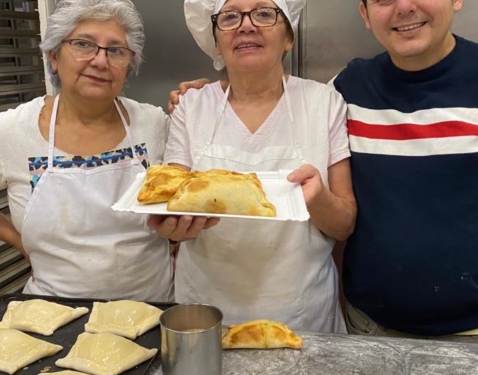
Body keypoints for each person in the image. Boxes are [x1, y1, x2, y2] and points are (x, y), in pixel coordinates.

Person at [168, 0, 478, 348]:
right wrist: (201, 96)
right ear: (366, 14)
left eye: (264, 15)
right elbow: (257, 91)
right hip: (369, 325)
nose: (404, 8)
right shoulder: (350, 88)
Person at [0, 0, 173, 301]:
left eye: (116, 50)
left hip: (153, 309)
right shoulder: (11, 131)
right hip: (56, 314)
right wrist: (17, 240)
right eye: (83, 44)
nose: (100, 61)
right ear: (54, 56)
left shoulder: (154, 123)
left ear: (128, 65)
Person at [149, 0, 357, 333]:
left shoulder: (323, 103)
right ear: (217, 42)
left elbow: (344, 225)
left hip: (302, 315)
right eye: (230, 17)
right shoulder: (191, 106)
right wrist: (171, 227)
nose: (246, 25)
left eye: (264, 13)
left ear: (288, 38)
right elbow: (170, 200)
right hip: (206, 314)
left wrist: (318, 199)